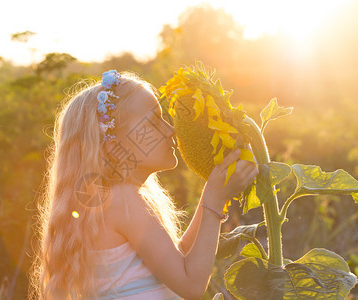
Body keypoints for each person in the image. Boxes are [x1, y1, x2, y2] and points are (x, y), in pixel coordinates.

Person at [30, 70, 258, 299]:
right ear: (112, 146)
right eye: (152, 122)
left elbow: (176, 260)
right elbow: (191, 285)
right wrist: (214, 200)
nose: (170, 130)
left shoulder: (112, 200)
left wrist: (215, 192)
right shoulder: (122, 200)